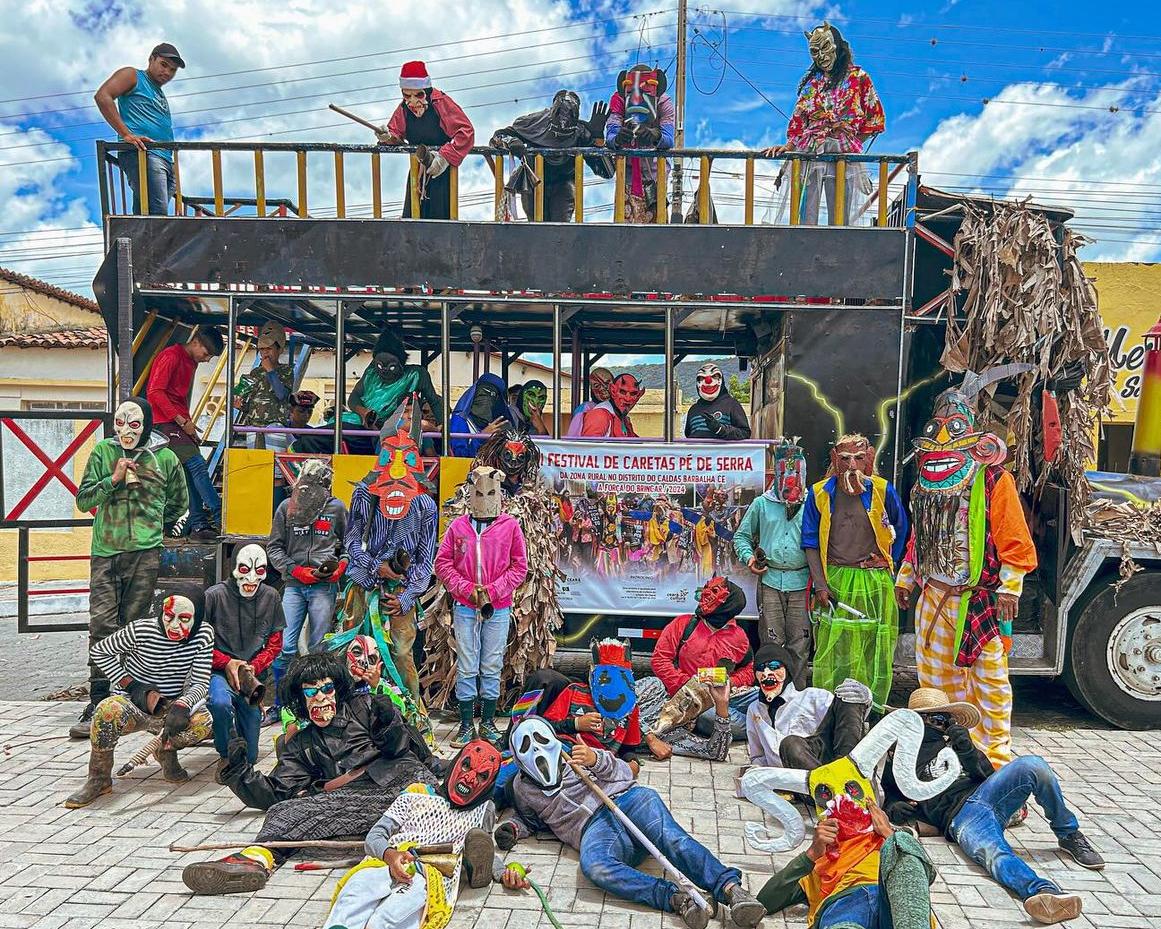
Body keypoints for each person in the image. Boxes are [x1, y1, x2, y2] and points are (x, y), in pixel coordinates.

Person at [182, 652, 439, 895]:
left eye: (327, 689)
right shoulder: (302, 744)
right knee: (282, 811)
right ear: (301, 699)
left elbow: (404, 750)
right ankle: (255, 860)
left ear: (338, 690)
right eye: (311, 692)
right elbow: (277, 792)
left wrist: (390, 725)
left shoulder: (366, 706)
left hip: (403, 786)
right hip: (357, 801)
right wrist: (239, 772)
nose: (321, 698)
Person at [499, 716, 764, 929]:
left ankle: (731, 890)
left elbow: (625, 772)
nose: (537, 750)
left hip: (628, 800)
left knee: (673, 839)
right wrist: (513, 828)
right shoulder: (522, 789)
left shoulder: (576, 753)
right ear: (518, 758)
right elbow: (531, 820)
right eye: (526, 747)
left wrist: (596, 760)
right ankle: (677, 899)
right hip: (593, 829)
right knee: (594, 866)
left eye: (541, 740)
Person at [895, 381, 1038, 768]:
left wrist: (1010, 588)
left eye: (954, 425)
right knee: (935, 684)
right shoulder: (924, 484)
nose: (943, 435)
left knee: (989, 683)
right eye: (937, 425)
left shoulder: (993, 479)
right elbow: (921, 536)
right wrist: (906, 577)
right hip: (933, 598)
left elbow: (1013, 538)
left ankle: (993, 760)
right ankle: (944, 758)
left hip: (977, 601)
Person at [882, 689, 1104, 925]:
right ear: (913, 721)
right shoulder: (899, 756)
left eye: (941, 719)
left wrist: (967, 750)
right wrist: (895, 807)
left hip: (989, 794)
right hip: (962, 817)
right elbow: (888, 796)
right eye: (928, 719)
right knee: (994, 854)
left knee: (1034, 765)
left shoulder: (956, 742)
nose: (935, 725)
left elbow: (988, 776)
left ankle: (1068, 834)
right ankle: (1043, 893)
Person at [742, 712, 954, 929]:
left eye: (852, 790)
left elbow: (918, 875)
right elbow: (765, 901)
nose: (842, 799)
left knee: (905, 845)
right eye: (826, 795)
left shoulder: (893, 843)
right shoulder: (818, 863)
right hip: (843, 906)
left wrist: (889, 834)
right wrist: (812, 853)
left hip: (894, 906)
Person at [70, 396, 188, 739]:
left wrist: (155, 528)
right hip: (106, 551)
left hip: (145, 553)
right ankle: (97, 700)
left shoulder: (165, 458)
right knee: (102, 625)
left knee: (133, 628)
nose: (125, 430)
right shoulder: (103, 452)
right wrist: (114, 479)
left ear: (146, 424)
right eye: (119, 422)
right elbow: (83, 500)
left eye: (134, 423)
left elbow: (179, 503)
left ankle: (127, 698)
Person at [420, 429, 562, 710]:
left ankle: (503, 700)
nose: (513, 461)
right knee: (468, 658)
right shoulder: (470, 501)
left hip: (518, 591)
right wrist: (466, 588)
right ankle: (466, 708)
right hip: (467, 598)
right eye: (508, 455)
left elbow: (529, 556)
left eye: (520, 456)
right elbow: (445, 559)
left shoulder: (533, 498)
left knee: (507, 649)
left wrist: (500, 588)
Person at [324, 740, 501, 929]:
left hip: (426, 874)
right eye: (466, 766)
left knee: (386, 918)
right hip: (385, 863)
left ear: (489, 784)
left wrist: (503, 872)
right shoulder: (417, 793)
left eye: (482, 776)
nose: (470, 779)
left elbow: (483, 850)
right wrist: (390, 855)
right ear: (456, 762)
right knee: (353, 896)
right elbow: (374, 836)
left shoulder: (484, 810)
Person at [65, 589, 215, 808]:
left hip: (168, 705)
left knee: (203, 723)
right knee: (107, 710)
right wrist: (131, 684)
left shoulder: (204, 634)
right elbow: (99, 651)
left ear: (197, 617)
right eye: (168, 616)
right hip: (132, 704)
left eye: (184, 619)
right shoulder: (140, 630)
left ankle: (165, 750)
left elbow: (201, 682)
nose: (174, 625)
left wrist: (183, 704)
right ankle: (99, 778)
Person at [801, 434, 907, 706]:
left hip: (873, 581)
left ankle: (869, 707)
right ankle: (831, 705)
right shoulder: (819, 493)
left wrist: (889, 559)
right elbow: (810, 542)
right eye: (845, 459)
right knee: (834, 646)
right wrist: (820, 584)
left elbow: (902, 527)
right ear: (835, 459)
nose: (852, 466)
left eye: (859, 459)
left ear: (868, 459)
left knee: (873, 644)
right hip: (835, 579)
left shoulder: (882, 490)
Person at [341, 424, 438, 710]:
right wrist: (374, 566)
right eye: (390, 456)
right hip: (364, 584)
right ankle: (355, 711)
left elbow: (425, 558)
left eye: (406, 458)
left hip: (401, 591)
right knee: (357, 648)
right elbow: (351, 540)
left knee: (402, 654)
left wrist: (407, 597)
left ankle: (410, 714)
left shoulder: (425, 505)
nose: (397, 466)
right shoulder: (364, 494)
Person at [434, 465, 529, 747]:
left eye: (489, 493)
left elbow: (519, 566)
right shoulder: (458, 527)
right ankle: (466, 726)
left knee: (491, 663)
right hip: (465, 606)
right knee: (466, 664)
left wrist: (493, 591)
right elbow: (443, 563)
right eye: (478, 493)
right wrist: (466, 589)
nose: (484, 498)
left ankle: (487, 724)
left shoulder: (509, 526)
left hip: (497, 607)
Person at [764, 23, 884, 226]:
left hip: (842, 152)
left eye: (825, 47)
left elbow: (875, 117)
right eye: (814, 51)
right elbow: (799, 120)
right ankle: (805, 241)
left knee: (839, 216)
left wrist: (851, 142)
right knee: (805, 215)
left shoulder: (858, 78)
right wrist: (789, 146)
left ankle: (838, 242)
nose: (821, 55)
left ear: (837, 45)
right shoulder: (812, 84)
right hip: (810, 150)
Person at [203, 544, 285, 779]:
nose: (251, 578)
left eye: (259, 571)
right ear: (234, 568)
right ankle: (225, 752)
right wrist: (226, 663)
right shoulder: (214, 596)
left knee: (250, 756)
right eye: (244, 569)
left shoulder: (271, 596)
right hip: (218, 671)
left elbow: (275, 643)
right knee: (220, 703)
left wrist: (253, 668)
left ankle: (239, 742)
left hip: (252, 674)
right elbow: (199, 643)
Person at [267, 458, 348, 695]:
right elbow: (274, 547)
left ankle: (316, 698)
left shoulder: (336, 508)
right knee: (284, 646)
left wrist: (341, 566)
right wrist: (295, 570)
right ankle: (282, 700)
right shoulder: (286, 508)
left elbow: (349, 545)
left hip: (324, 585)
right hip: (294, 585)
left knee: (319, 647)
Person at [644, 577, 757, 744]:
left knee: (764, 698)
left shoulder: (738, 636)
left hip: (727, 694)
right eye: (707, 589)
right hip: (694, 702)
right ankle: (758, 725)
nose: (705, 594)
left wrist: (731, 682)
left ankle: (758, 721)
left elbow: (749, 669)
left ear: (729, 604)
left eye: (714, 592)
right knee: (720, 720)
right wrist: (687, 685)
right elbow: (660, 660)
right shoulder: (683, 624)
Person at [733, 438, 810, 681]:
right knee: (771, 642)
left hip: (802, 582)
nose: (790, 478)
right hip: (770, 581)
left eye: (796, 472)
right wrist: (749, 559)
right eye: (784, 472)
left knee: (800, 644)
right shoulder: (762, 504)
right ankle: (771, 693)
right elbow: (741, 537)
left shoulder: (813, 503)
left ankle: (797, 695)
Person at [147, 326, 226, 541]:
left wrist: (187, 426)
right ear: (196, 342)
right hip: (164, 423)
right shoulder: (171, 356)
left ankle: (199, 524)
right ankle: (220, 516)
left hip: (177, 424)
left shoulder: (190, 362)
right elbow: (155, 392)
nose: (206, 359)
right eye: (206, 354)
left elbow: (179, 399)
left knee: (190, 474)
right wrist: (181, 421)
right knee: (198, 466)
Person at [490, 90, 613, 221]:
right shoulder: (534, 123)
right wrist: (511, 141)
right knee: (536, 225)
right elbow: (497, 137)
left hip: (563, 183)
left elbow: (607, 172)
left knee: (559, 225)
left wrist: (597, 139)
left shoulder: (582, 132)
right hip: (534, 182)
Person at [745, 642, 870, 771]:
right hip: (793, 775)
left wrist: (864, 698)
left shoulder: (812, 697)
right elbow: (758, 756)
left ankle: (846, 772)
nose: (766, 673)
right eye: (761, 668)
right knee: (790, 745)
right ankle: (828, 781)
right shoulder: (754, 710)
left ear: (787, 670)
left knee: (847, 696)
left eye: (774, 666)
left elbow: (846, 720)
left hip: (826, 761)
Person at [375, 61, 475, 220]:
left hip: (441, 171)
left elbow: (466, 132)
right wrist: (387, 137)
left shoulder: (441, 102)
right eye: (407, 95)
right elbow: (395, 134)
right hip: (417, 172)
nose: (413, 101)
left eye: (418, 95)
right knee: (412, 218)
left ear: (427, 92)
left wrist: (444, 157)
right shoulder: (404, 108)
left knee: (440, 220)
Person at [93, 43, 185, 215]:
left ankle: (137, 234)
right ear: (151, 59)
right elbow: (103, 96)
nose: (167, 72)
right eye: (163, 64)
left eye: (172, 70)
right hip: (144, 154)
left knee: (145, 214)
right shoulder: (133, 75)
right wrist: (126, 134)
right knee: (157, 215)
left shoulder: (158, 92)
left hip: (165, 158)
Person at [605, 65, 675, 224]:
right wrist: (618, 138)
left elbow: (668, 139)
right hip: (626, 175)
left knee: (656, 226)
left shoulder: (664, 103)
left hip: (656, 177)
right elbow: (611, 135)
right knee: (625, 226)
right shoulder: (619, 101)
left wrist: (655, 135)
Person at [348, 329, 444, 435]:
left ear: (401, 364)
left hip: (389, 428)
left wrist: (443, 426)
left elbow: (434, 402)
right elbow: (354, 396)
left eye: (391, 367)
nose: (384, 371)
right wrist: (363, 412)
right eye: (380, 366)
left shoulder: (416, 374)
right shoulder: (371, 372)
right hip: (360, 422)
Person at [234, 322, 294, 450]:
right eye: (262, 349)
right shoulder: (255, 372)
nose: (265, 353)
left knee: (274, 461)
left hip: (275, 425)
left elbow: (281, 395)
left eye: (269, 349)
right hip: (253, 426)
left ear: (280, 350)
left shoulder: (286, 371)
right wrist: (241, 405)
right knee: (255, 461)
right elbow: (251, 403)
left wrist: (270, 371)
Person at [448, 372, 513, 458]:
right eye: (482, 393)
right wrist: (482, 436)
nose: (486, 399)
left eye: (492, 395)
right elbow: (460, 456)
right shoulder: (460, 420)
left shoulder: (496, 424)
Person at [684, 362, 751, 440]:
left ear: (721, 381)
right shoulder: (693, 410)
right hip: (697, 448)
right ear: (697, 383)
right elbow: (688, 435)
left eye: (715, 376)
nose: (708, 380)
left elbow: (745, 433)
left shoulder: (732, 405)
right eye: (702, 377)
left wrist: (720, 429)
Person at [580, 372, 644, 438]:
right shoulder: (599, 415)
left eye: (633, 394)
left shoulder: (622, 418)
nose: (628, 399)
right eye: (622, 392)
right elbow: (589, 443)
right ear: (613, 391)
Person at [567, 366, 613, 435]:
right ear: (592, 389)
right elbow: (574, 436)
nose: (603, 388)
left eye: (607, 383)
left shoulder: (617, 408)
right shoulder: (585, 408)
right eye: (597, 386)